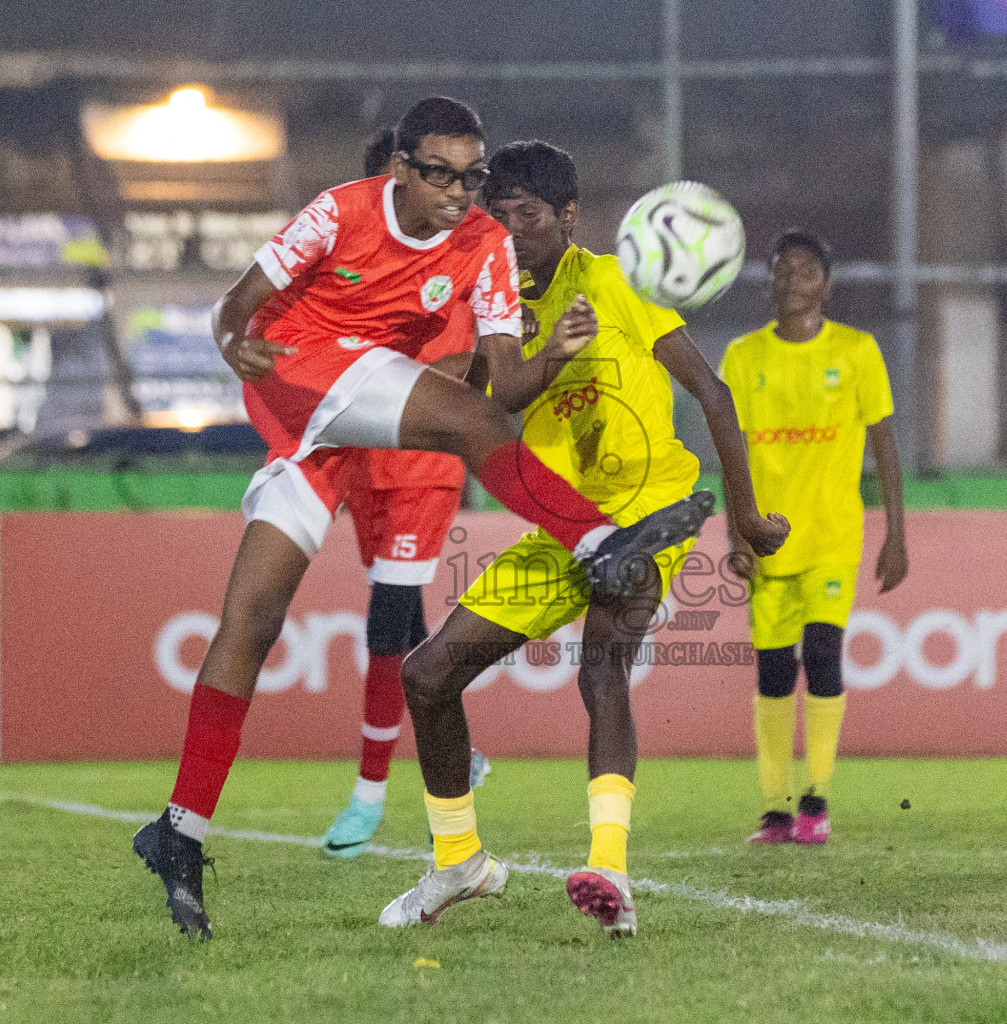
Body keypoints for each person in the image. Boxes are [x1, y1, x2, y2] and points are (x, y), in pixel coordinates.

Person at [131, 99, 716, 941]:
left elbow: (504, 389)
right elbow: (239, 302)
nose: (458, 192)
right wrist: (232, 343)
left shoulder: (483, 247)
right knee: (468, 431)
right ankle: (598, 538)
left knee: (251, 620)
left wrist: (550, 359)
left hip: (340, 426)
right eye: (440, 173)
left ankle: (179, 831)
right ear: (401, 167)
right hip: (296, 378)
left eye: (470, 176)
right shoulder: (340, 211)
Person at [376, 141, 788, 936]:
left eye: (525, 215)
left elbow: (712, 390)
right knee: (427, 676)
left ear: (567, 217)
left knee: (602, 663)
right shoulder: (498, 302)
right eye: (498, 216)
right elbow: (483, 399)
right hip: (564, 522)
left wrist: (745, 516)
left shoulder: (610, 281)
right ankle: (458, 863)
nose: (508, 230)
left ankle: (609, 867)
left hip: (646, 508)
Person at [319, 128, 486, 858]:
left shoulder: (453, 261)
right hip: (366, 463)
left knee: (386, 618)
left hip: (423, 463)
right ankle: (458, 753)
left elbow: (459, 359)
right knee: (410, 628)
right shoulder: (341, 263)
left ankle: (368, 792)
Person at [718, 229, 908, 847]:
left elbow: (884, 444)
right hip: (768, 540)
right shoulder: (743, 357)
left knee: (823, 655)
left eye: (802, 271)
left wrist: (896, 534)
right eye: (779, 270)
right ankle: (774, 810)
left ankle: (815, 800)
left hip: (832, 534)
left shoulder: (856, 351)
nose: (788, 280)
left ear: (824, 285)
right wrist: (737, 535)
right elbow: (733, 456)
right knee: (773, 672)